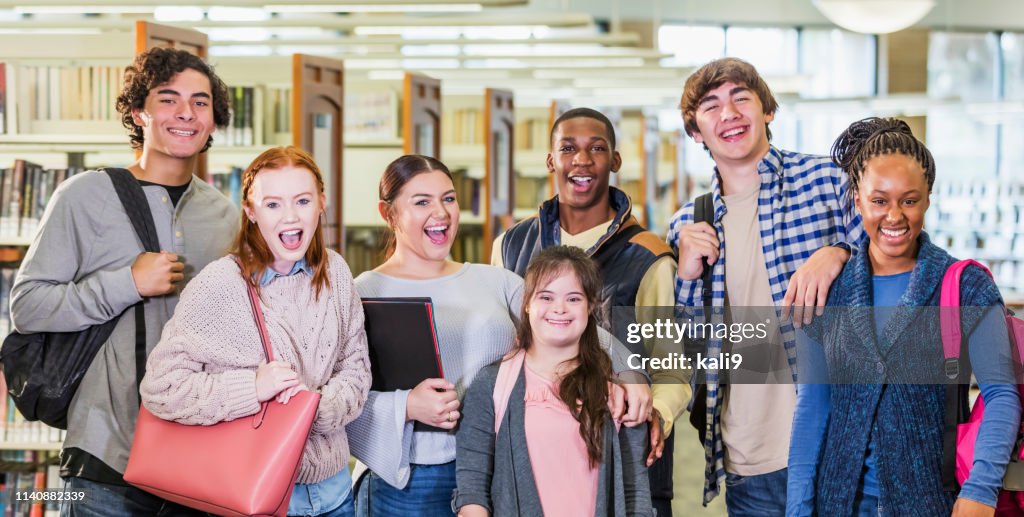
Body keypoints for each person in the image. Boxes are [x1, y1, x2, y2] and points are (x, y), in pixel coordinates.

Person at [346, 154, 650, 516]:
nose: (441, 213)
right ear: (388, 213)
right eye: (422, 201)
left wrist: (631, 374)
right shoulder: (362, 292)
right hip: (409, 480)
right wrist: (406, 406)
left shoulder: (494, 280)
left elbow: (577, 328)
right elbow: (338, 399)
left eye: (448, 198)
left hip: (495, 467)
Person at [9, 47, 237, 516]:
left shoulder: (225, 216)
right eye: (167, 99)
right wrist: (126, 284)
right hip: (104, 455)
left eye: (200, 102)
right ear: (139, 112)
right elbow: (28, 305)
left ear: (214, 119)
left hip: (198, 456)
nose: (185, 113)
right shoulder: (85, 196)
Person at [786, 117, 1021, 517]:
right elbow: (813, 407)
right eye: (879, 201)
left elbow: (1001, 395)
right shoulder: (827, 290)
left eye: (909, 200)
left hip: (933, 502)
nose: (894, 216)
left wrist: (982, 488)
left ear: (928, 198)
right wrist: (797, 507)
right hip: (839, 503)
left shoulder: (966, 287)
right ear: (857, 200)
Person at [665, 57, 863, 513]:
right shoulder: (688, 223)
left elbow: (898, 260)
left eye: (741, 98)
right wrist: (686, 277)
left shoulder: (829, 182)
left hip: (836, 440)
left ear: (767, 111)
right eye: (711, 106)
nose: (729, 113)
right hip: (748, 454)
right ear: (696, 131)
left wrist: (840, 253)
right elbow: (690, 345)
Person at [140, 146, 371, 517]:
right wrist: (253, 388)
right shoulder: (220, 285)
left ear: (322, 203)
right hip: (252, 495)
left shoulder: (337, 273)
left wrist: (314, 409)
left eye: (302, 200)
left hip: (335, 495)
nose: (291, 217)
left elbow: (356, 370)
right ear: (250, 211)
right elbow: (161, 390)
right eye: (273, 204)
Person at [491, 107, 683, 515]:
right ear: (550, 161)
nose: (581, 160)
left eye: (596, 148)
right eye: (568, 148)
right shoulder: (510, 246)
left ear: (614, 161)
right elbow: (500, 349)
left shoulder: (648, 257)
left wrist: (656, 416)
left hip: (619, 457)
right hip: (533, 458)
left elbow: (672, 369)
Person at [456, 245, 653, 516]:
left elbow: (635, 493)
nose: (559, 309)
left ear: (590, 307)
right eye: (546, 297)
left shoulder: (619, 393)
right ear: (527, 304)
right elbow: (472, 491)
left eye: (573, 299)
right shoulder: (491, 384)